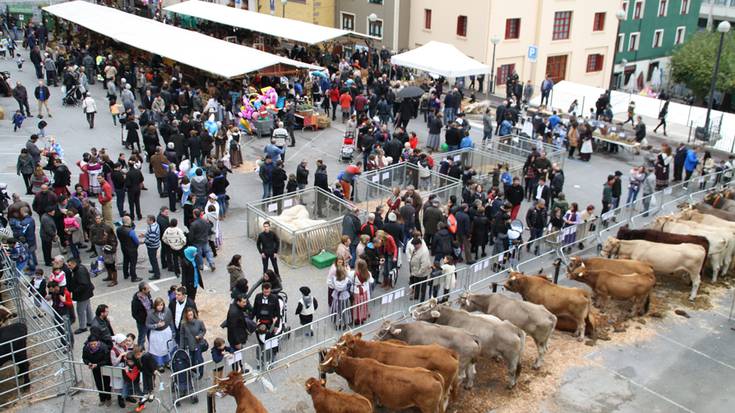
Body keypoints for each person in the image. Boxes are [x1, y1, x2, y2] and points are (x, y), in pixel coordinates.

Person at [82, 334, 112, 406]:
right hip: (94, 368)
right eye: (91, 344)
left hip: (104, 367)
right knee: (98, 384)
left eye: (94, 344)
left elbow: (107, 360)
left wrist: (98, 364)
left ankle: (108, 398)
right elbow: (84, 358)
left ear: (98, 342)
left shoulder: (104, 348)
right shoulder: (86, 348)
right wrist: (88, 363)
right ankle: (102, 399)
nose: (93, 346)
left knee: (106, 383)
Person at [68, 258, 95, 335]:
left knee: (80, 310)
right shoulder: (81, 268)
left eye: (70, 265)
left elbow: (83, 284)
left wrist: (75, 290)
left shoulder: (79, 271)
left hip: (83, 294)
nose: (69, 267)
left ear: (74, 264)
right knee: (87, 308)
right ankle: (90, 321)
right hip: (86, 293)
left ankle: (83, 327)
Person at [146, 297, 174, 368]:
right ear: (155, 306)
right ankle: (159, 364)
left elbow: (170, 320)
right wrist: (156, 325)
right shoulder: (150, 314)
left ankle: (167, 362)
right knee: (158, 350)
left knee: (167, 348)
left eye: (161, 305)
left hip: (166, 332)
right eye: (158, 305)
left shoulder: (167, 311)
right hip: (156, 334)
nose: (160, 307)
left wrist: (173, 331)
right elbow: (148, 325)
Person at [179, 307, 206, 380]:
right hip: (189, 344)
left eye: (191, 314)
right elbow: (181, 334)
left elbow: (203, 330)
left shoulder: (199, 322)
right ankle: (193, 371)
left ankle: (201, 372)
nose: (190, 316)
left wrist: (199, 336)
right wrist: (181, 346)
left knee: (199, 359)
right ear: (186, 316)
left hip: (198, 343)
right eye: (189, 315)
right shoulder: (183, 324)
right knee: (191, 359)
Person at [116, 216, 140, 282]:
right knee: (133, 263)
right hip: (132, 249)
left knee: (126, 260)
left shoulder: (118, 229)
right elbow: (136, 241)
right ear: (128, 221)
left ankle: (125, 274)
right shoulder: (131, 231)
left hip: (124, 247)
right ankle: (134, 277)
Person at [131, 282, 152, 348]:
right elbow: (134, 314)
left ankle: (152, 348)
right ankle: (140, 351)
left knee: (151, 336)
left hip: (150, 320)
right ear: (143, 290)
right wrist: (141, 320)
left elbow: (151, 304)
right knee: (142, 338)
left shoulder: (148, 294)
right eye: (148, 288)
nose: (149, 289)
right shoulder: (136, 301)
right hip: (142, 323)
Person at [142, 215, 161, 280]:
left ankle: (157, 274)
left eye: (147, 220)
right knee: (152, 259)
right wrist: (144, 235)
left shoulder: (153, 228)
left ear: (151, 220)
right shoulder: (155, 225)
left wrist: (143, 241)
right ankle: (154, 269)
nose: (146, 221)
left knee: (153, 260)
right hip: (155, 245)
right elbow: (150, 234)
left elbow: (151, 240)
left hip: (152, 246)